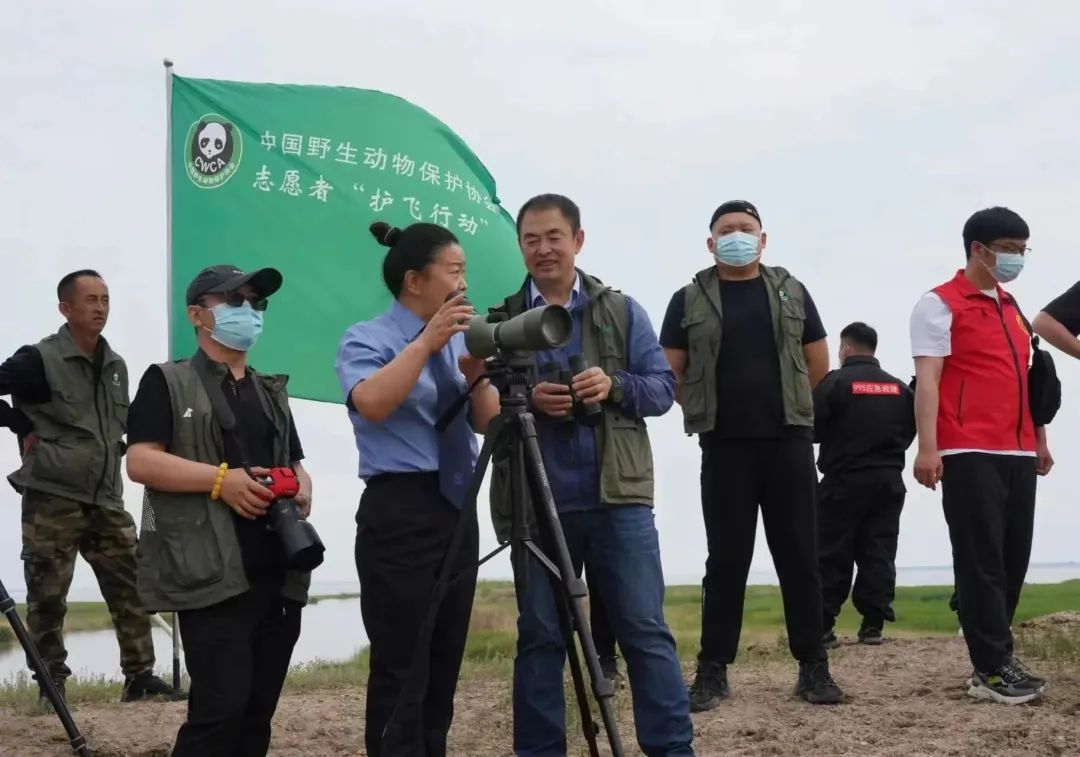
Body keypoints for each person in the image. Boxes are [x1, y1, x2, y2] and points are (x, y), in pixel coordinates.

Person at [492, 194, 693, 757]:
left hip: (617, 499)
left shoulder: (623, 311)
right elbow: (480, 406)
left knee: (644, 630)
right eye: (531, 239)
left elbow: (664, 390)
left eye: (554, 236)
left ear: (578, 240)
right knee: (540, 638)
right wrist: (527, 399)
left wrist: (614, 385)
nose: (543, 249)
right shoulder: (502, 320)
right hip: (536, 500)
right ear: (520, 247)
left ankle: (672, 750)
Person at [661, 199, 844, 709]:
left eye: (746, 229)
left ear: (763, 240)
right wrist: (703, 407)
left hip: (788, 442)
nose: (736, 236)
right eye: (727, 230)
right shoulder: (688, 298)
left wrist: (788, 407)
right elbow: (670, 370)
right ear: (711, 242)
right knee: (726, 559)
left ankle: (813, 667)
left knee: (800, 557)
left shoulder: (791, 290)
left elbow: (818, 361)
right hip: (724, 446)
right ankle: (712, 671)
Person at [126, 264, 314, 755]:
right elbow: (140, 461)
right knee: (218, 713)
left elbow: (294, 462)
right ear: (196, 315)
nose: (248, 310)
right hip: (210, 574)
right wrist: (219, 481)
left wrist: (302, 486)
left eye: (256, 301)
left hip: (278, 571)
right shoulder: (167, 381)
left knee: (257, 714)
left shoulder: (270, 390)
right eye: (233, 300)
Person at [335, 221, 499, 757]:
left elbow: (486, 421)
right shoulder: (368, 338)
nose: (463, 284)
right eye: (454, 272)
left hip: (457, 506)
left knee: (445, 659)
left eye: (465, 272)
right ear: (414, 280)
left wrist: (477, 370)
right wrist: (426, 343)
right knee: (402, 665)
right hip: (400, 509)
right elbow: (372, 402)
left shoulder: (459, 343)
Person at [0, 269, 177, 706]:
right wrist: (18, 422)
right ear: (66, 308)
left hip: (106, 497)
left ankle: (140, 678)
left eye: (105, 299)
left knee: (132, 585)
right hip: (52, 495)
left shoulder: (116, 366)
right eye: (91, 300)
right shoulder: (37, 359)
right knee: (47, 597)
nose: (100, 308)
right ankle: (52, 686)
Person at [909, 206, 1053, 705]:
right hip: (967, 447)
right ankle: (991, 669)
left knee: (1013, 557)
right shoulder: (939, 304)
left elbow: (1028, 383)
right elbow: (928, 380)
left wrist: (1039, 438)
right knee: (981, 558)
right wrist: (928, 447)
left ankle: (995, 659)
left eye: (1022, 250)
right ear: (978, 249)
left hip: (1019, 448)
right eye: (1009, 249)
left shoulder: (1010, 306)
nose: (1017, 258)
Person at [812, 322, 916, 647]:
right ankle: (873, 625)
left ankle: (823, 625)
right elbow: (910, 430)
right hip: (888, 481)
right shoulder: (900, 388)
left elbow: (811, 428)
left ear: (845, 349)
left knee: (832, 551)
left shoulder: (835, 383)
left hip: (843, 481)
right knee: (879, 550)